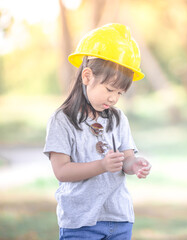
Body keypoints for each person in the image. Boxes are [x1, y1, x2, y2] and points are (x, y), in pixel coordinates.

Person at [43, 23, 152, 240]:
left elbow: (127, 159)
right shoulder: (62, 120)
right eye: (109, 89)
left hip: (119, 218)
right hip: (80, 223)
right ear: (87, 76)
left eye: (119, 93)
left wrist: (134, 165)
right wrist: (102, 165)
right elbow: (62, 171)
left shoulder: (118, 118)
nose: (113, 98)